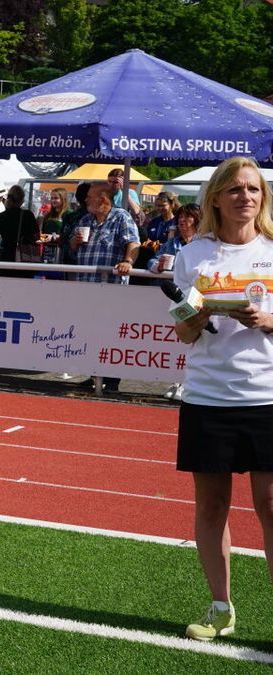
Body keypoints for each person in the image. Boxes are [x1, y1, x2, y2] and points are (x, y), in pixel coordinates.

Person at [170, 156, 273, 643]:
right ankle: (219, 608)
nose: (244, 197)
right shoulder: (193, 255)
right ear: (215, 197)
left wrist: (266, 320)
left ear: (263, 197)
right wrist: (194, 320)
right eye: (234, 189)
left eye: (252, 189)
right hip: (207, 396)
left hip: (267, 395)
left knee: (270, 505)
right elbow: (184, 332)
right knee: (212, 507)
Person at [69, 181, 140, 394]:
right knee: (89, 332)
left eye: (89, 196)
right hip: (87, 287)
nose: (85, 200)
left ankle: (111, 379)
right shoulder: (85, 219)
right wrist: (76, 241)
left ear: (102, 199)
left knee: (111, 333)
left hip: (111, 288)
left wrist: (128, 261)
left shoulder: (121, 217)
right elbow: (72, 246)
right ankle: (94, 374)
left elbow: (134, 243)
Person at [148, 203, 201, 401]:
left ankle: (187, 384)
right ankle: (177, 382)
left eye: (188, 217)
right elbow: (152, 261)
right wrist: (158, 266)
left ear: (197, 220)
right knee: (178, 342)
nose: (182, 221)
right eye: (180, 217)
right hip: (176, 299)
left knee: (194, 341)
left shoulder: (204, 243)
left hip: (197, 298)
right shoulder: (172, 243)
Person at [0, 184, 39, 277]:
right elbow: (36, 236)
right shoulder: (28, 215)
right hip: (25, 258)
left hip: (6, 258)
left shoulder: (1, 217)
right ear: (22, 200)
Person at [40, 187, 69, 265]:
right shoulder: (48, 215)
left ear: (63, 199)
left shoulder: (69, 214)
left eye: (56, 198)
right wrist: (42, 237)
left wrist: (54, 237)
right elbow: (43, 232)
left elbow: (69, 235)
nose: (53, 200)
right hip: (47, 251)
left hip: (62, 251)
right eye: (52, 198)